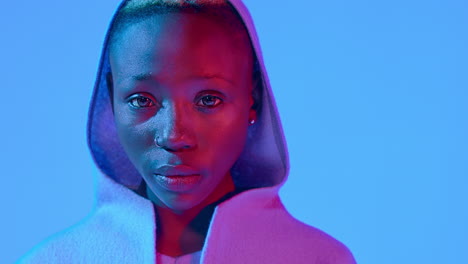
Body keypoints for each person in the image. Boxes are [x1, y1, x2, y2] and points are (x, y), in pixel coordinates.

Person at [19, 0, 356, 263]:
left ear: (252, 99)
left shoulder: (318, 259)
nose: (174, 135)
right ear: (111, 99)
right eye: (141, 100)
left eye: (208, 99)